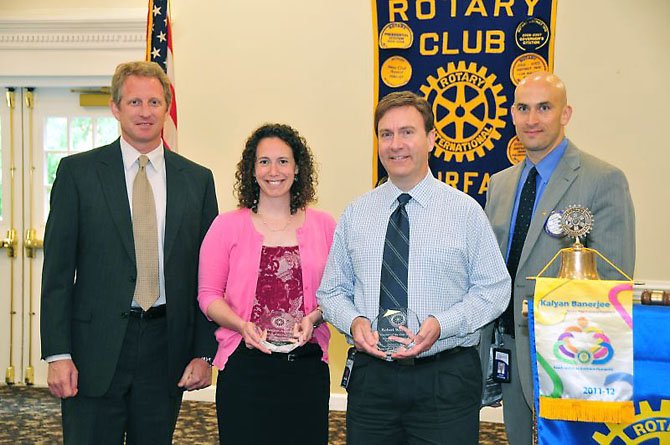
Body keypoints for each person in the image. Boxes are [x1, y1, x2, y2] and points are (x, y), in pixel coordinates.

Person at [40, 61, 219, 444]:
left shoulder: (197, 180)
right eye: (134, 101)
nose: (145, 111)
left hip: (165, 347)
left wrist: (204, 353)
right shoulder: (78, 174)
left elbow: (208, 276)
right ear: (115, 108)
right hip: (93, 350)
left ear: (167, 108)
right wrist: (57, 354)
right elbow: (56, 273)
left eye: (154, 101)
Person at [317, 91, 511, 444]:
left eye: (407, 132)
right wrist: (354, 322)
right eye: (386, 134)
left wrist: (443, 324)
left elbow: (495, 289)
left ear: (431, 138)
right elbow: (331, 291)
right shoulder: (356, 214)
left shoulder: (465, 212)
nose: (396, 144)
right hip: (372, 380)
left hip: (445, 379)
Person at [479, 71, 636, 445]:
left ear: (565, 114)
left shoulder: (604, 179)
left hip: (573, 355)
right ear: (512, 114)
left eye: (544, 108)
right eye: (523, 108)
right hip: (511, 348)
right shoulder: (499, 183)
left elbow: (616, 277)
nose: (532, 119)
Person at [198, 123, 335, 445]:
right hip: (245, 369)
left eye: (283, 161)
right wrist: (240, 325)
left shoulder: (326, 226)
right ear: (252, 169)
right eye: (264, 161)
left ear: (298, 167)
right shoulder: (226, 226)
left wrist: (313, 319)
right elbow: (208, 296)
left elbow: (339, 293)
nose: (274, 170)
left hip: (307, 369)